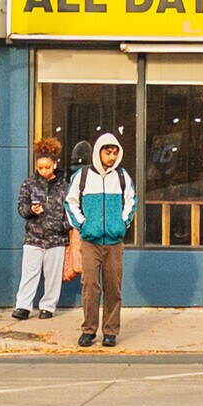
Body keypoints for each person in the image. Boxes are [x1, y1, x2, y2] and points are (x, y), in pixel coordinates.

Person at [65, 132, 138, 347]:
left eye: (115, 152)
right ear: (99, 152)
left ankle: (110, 332)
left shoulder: (123, 177)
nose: (112, 157)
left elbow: (131, 201)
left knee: (113, 287)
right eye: (108, 152)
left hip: (114, 242)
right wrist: (83, 225)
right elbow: (71, 202)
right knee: (90, 286)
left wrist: (122, 224)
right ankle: (88, 330)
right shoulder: (83, 176)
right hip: (90, 241)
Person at [12, 139, 70, 320]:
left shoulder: (65, 185)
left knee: (53, 276)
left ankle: (48, 306)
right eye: (40, 167)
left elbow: (72, 210)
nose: (44, 171)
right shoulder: (29, 184)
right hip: (34, 237)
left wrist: (63, 226)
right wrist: (31, 210)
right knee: (29, 273)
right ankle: (23, 305)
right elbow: (21, 207)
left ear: (55, 163)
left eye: (47, 167)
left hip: (56, 238)